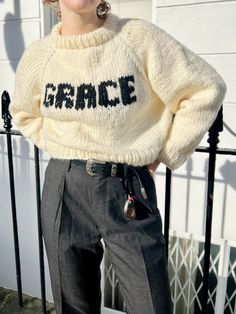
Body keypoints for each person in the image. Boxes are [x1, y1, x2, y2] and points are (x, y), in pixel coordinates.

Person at [9, 0, 227, 313]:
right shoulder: (39, 56)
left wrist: (165, 152)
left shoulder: (137, 37)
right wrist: (63, 145)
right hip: (63, 188)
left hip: (126, 187)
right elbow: (23, 113)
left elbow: (206, 88)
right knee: (73, 305)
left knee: (150, 303)